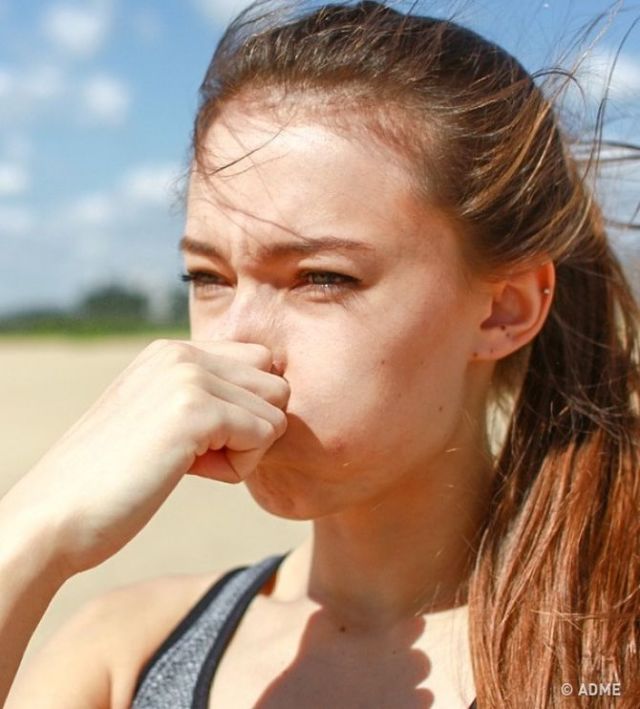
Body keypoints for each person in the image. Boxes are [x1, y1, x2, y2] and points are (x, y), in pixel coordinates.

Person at [2, 1, 639, 706]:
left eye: (322, 278)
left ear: (505, 308)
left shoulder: (606, 656)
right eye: (207, 277)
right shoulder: (127, 652)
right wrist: (32, 532)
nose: (236, 345)